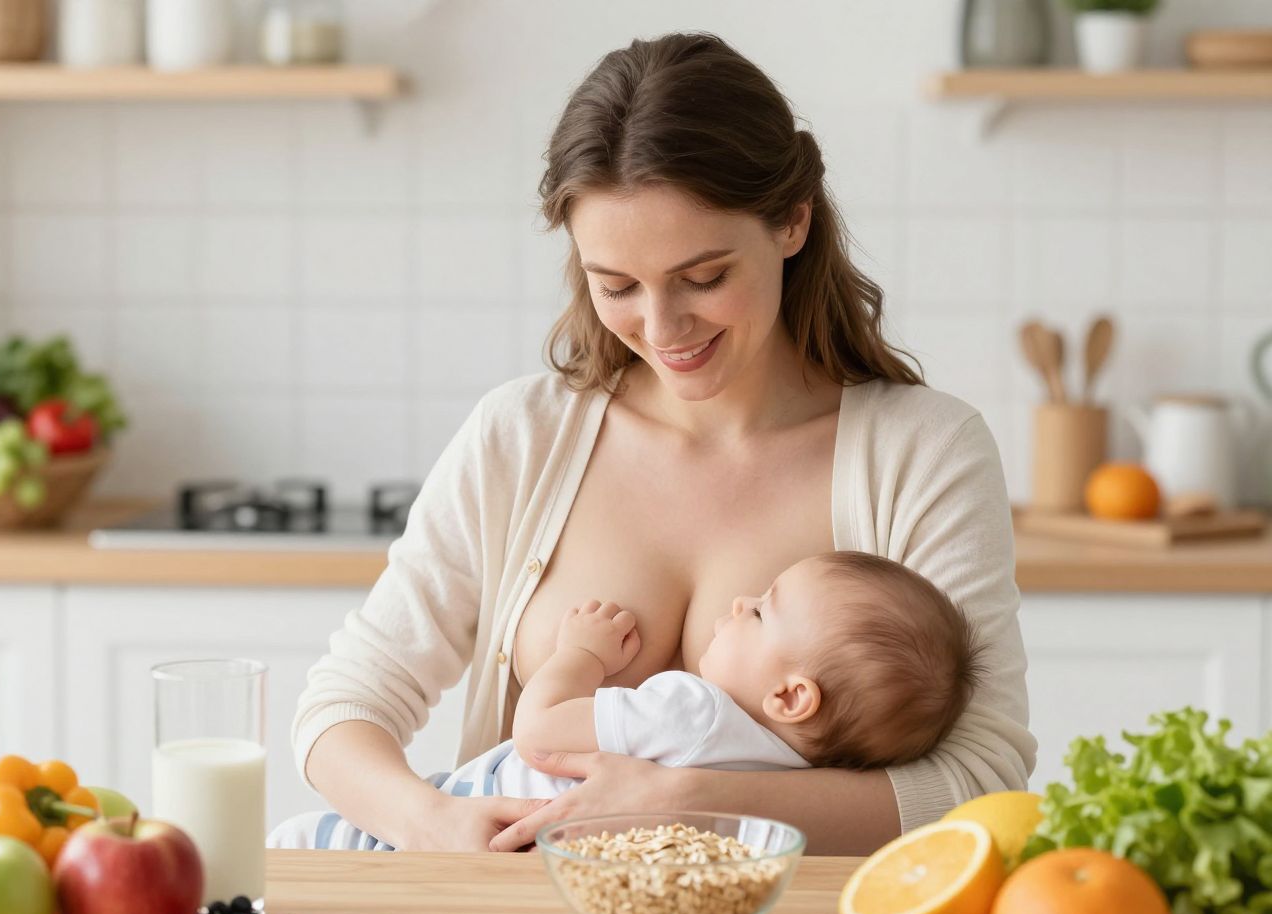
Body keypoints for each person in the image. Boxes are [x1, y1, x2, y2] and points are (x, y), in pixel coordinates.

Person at [290, 31, 1036, 856]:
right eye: (616, 286)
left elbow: (981, 782)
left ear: (792, 221)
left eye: (704, 278)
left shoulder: (923, 454)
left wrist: (687, 799)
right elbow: (344, 706)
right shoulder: (523, 438)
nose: (662, 327)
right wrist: (427, 820)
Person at [270, 552, 982, 851]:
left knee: (298, 845)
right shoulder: (790, 777)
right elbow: (351, 693)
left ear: (792, 695)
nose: (740, 601)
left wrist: (579, 654)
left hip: (475, 812)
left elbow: (541, 733)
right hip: (459, 836)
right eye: (616, 284)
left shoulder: (693, 710)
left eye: (761, 612)